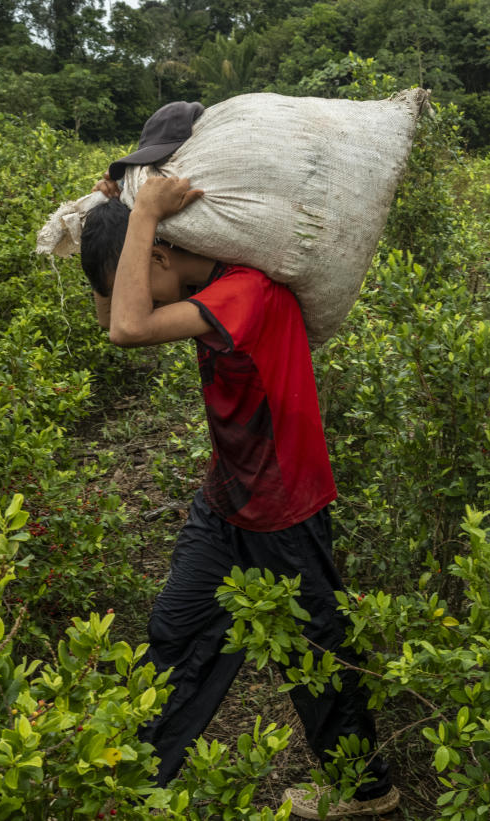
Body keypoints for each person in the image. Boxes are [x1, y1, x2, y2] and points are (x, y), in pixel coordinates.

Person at [78, 141, 398, 817]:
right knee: (178, 626)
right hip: (228, 495)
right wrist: (123, 213)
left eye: (141, 264)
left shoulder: (244, 291)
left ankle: (368, 791)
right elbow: (118, 312)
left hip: (284, 502)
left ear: (162, 253)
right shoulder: (201, 282)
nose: (128, 289)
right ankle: (142, 782)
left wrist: (141, 222)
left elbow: (127, 327)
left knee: (314, 652)